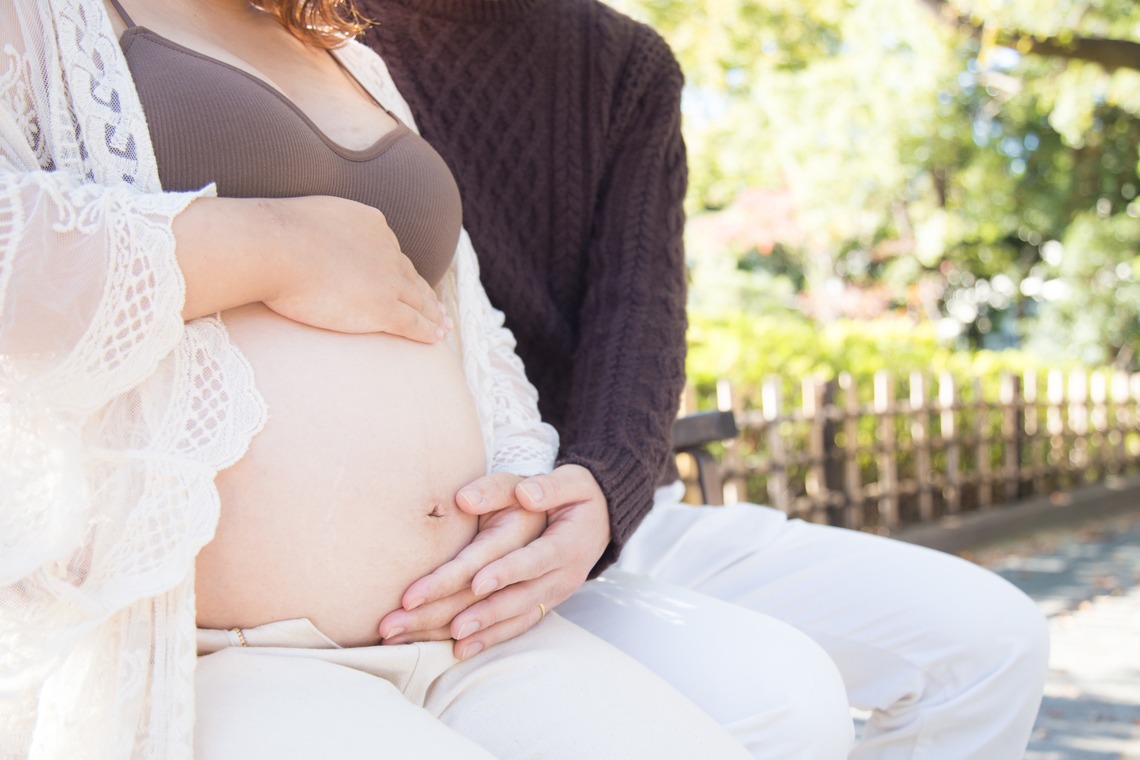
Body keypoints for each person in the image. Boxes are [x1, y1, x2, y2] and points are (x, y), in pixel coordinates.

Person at [0, 0, 754, 757]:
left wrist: (520, 488)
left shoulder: (348, 54)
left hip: (467, 631)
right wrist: (273, 245)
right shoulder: (41, 16)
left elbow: (465, 325)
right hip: (237, 652)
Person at [359, 0, 1053, 757]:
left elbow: (640, 305)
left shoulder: (626, 63)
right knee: (779, 704)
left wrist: (601, 491)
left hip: (616, 509)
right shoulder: (305, 25)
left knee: (994, 642)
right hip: (445, 535)